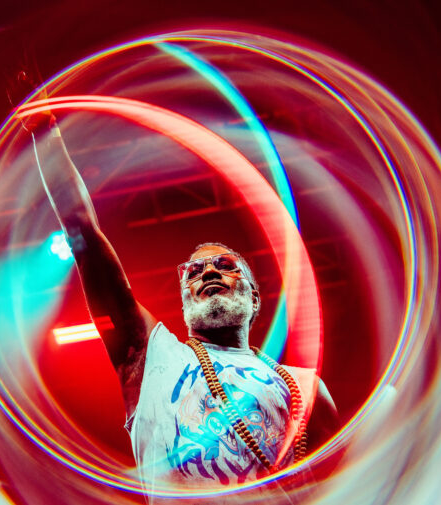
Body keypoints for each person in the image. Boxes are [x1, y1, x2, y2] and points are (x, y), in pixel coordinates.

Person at [28, 108, 338, 502]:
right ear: (184, 298)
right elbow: (83, 233)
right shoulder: (148, 356)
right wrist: (45, 131)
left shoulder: (307, 389)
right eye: (194, 271)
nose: (208, 273)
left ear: (254, 296)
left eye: (225, 266)